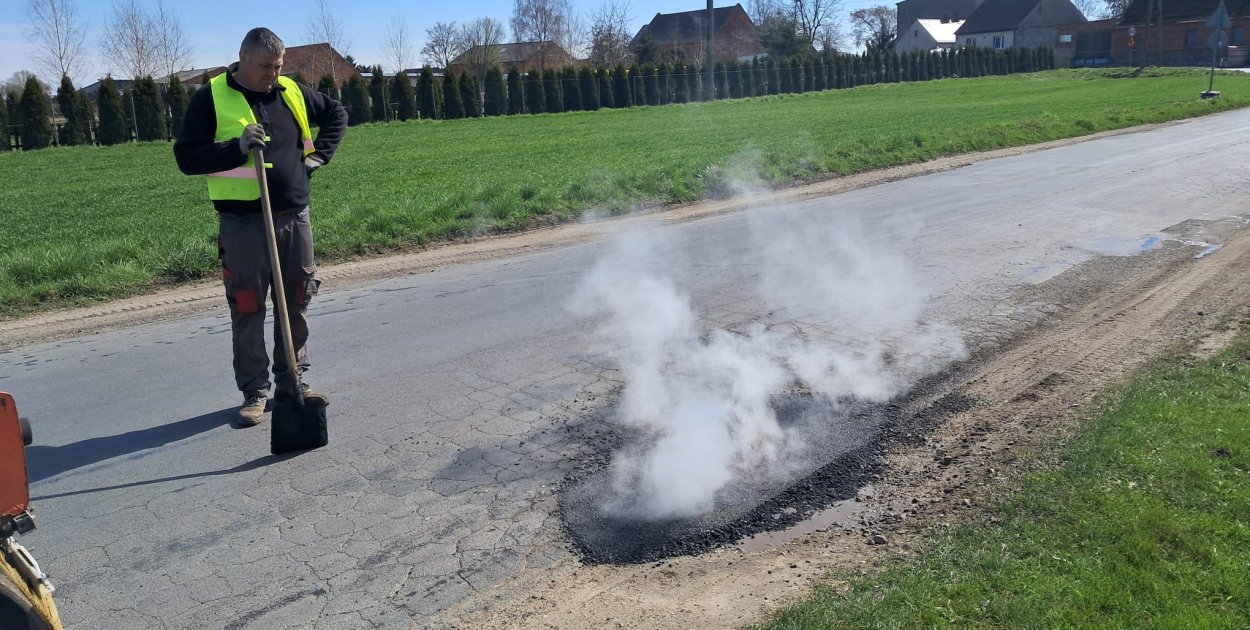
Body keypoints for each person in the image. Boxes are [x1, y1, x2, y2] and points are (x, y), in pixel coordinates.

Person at [175, 27, 347, 426]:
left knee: (297, 301)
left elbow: (337, 113)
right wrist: (235, 147)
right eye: (267, 66)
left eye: (279, 65)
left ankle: (293, 382)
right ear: (243, 58)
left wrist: (320, 156)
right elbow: (186, 158)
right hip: (243, 224)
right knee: (248, 306)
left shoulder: (291, 91)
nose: (274, 73)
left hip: (294, 217)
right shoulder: (211, 97)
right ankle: (255, 391)